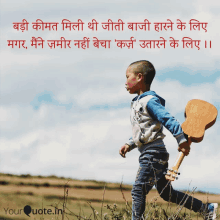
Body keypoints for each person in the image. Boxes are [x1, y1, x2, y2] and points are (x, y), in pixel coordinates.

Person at [119, 60, 218, 220]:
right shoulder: (138, 103)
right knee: (166, 193)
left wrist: (181, 140)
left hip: (152, 154)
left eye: (127, 77)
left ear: (139, 77)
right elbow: (142, 131)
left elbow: (168, 119)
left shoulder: (150, 101)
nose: (125, 82)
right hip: (153, 153)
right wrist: (129, 144)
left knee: (138, 190)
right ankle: (206, 209)